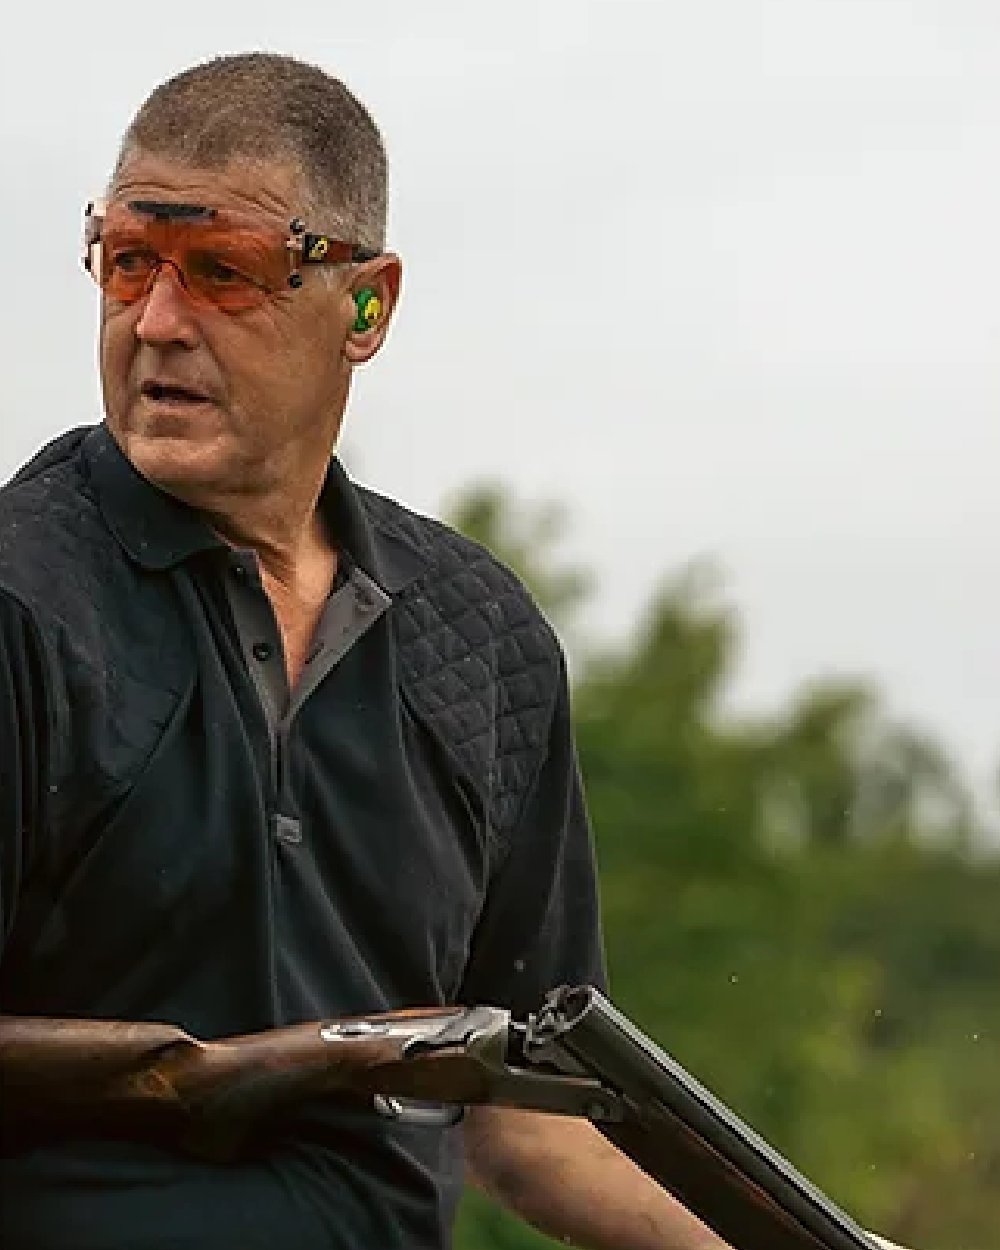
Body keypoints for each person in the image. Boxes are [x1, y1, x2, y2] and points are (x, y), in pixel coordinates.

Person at [0, 53, 913, 1250]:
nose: (157, 322)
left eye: (223, 273)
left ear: (366, 307)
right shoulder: (23, 598)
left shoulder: (480, 638)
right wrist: (231, 1075)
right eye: (129, 263)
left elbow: (532, 1110)